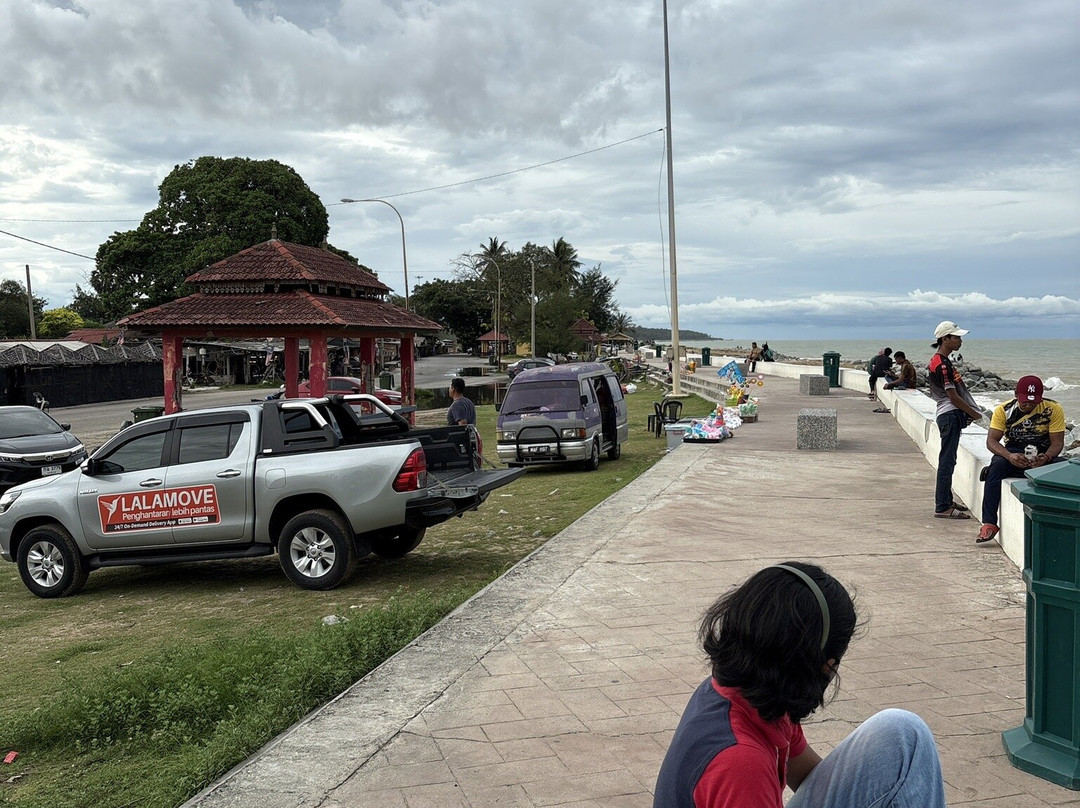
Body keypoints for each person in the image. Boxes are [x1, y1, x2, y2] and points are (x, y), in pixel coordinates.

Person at [652, 562, 946, 808]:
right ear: (824, 666)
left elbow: (810, 775)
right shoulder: (742, 764)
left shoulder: (750, 692)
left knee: (901, 732)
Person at [977, 375, 1066, 543]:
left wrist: (1046, 457)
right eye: (1025, 401)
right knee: (995, 467)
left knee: (1063, 468)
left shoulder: (1054, 409)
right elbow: (991, 441)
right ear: (1016, 394)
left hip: (1041, 455)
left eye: (1033, 402)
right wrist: (1009, 456)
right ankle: (989, 523)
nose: (1029, 405)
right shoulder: (1003, 410)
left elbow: (1057, 443)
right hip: (1014, 454)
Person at [927, 321, 984, 520]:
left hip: (947, 414)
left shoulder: (938, 361)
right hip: (949, 414)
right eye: (957, 337)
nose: (960, 340)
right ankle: (942, 506)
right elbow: (952, 396)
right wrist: (975, 414)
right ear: (945, 339)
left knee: (949, 459)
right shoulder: (942, 365)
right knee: (947, 461)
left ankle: (946, 499)